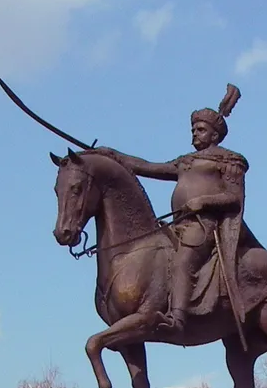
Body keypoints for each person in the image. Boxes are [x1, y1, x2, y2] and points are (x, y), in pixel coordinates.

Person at [91, 84, 257, 331]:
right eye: (193, 129)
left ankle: (177, 318)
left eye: (200, 129)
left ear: (214, 134)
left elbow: (235, 198)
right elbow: (145, 166)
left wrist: (204, 202)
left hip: (205, 227)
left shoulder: (230, 160)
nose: (195, 133)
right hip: (178, 225)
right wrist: (110, 154)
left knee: (183, 260)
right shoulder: (185, 162)